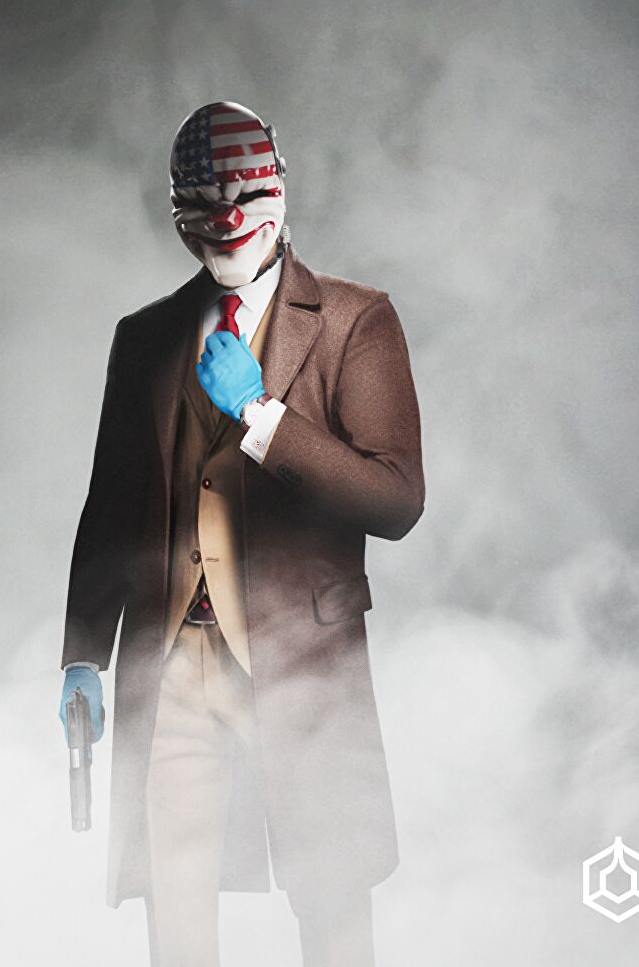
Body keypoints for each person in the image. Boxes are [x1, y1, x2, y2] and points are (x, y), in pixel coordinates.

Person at [59, 101, 424, 966]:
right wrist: (84, 655)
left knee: (330, 898)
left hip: (302, 657)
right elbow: (112, 505)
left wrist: (262, 416)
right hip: (172, 660)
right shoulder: (144, 338)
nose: (226, 223)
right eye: (202, 207)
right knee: (175, 905)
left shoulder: (355, 320)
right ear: (177, 211)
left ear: (279, 191)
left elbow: (396, 500)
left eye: (244, 200)